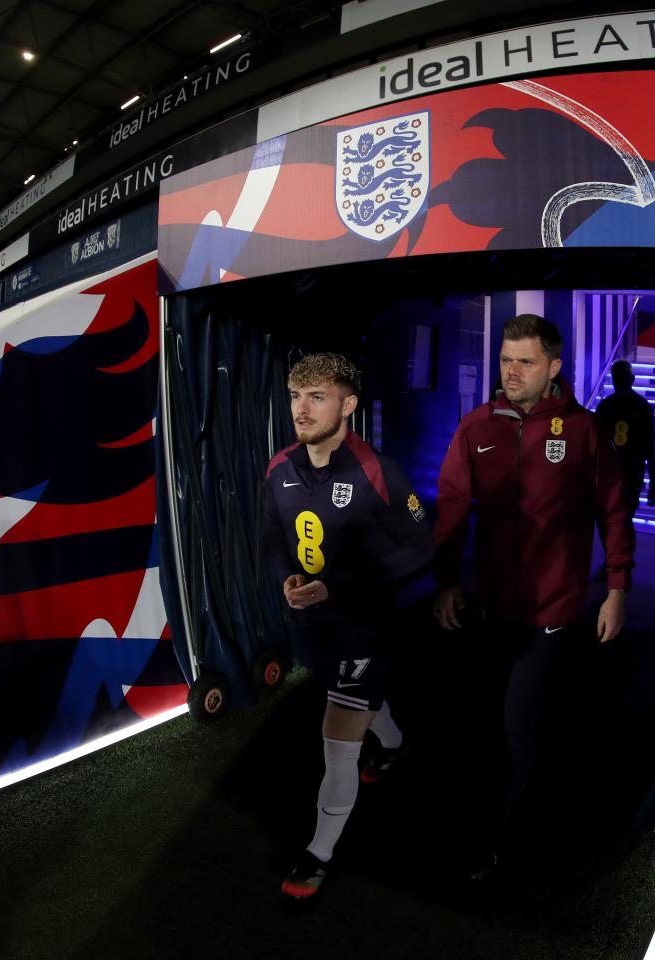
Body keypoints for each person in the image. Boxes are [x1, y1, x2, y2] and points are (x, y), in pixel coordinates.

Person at [433, 313, 634, 877]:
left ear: (554, 368)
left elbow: (613, 513)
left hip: (551, 614)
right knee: (485, 723)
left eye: (525, 361)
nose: (512, 371)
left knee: (519, 723)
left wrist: (616, 587)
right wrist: (446, 580)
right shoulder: (477, 427)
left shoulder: (584, 431)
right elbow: (451, 507)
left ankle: (500, 839)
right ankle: (492, 815)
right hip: (490, 609)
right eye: (505, 360)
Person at [261, 353, 434, 900]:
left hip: (366, 622)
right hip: (316, 624)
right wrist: (286, 578)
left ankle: (318, 854)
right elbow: (270, 541)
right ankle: (396, 744)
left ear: (348, 404)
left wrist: (342, 586)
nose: (302, 409)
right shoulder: (278, 467)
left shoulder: (377, 471)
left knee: (336, 737)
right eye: (295, 396)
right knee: (356, 699)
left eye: (317, 396)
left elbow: (420, 547)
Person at [593, 360, 655, 543]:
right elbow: (650, 449)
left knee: (606, 521)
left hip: (609, 475)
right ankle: (617, 563)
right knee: (623, 519)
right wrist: (653, 484)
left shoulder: (605, 406)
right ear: (633, 379)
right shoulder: (643, 407)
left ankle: (613, 561)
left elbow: (593, 445)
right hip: (631, 474)